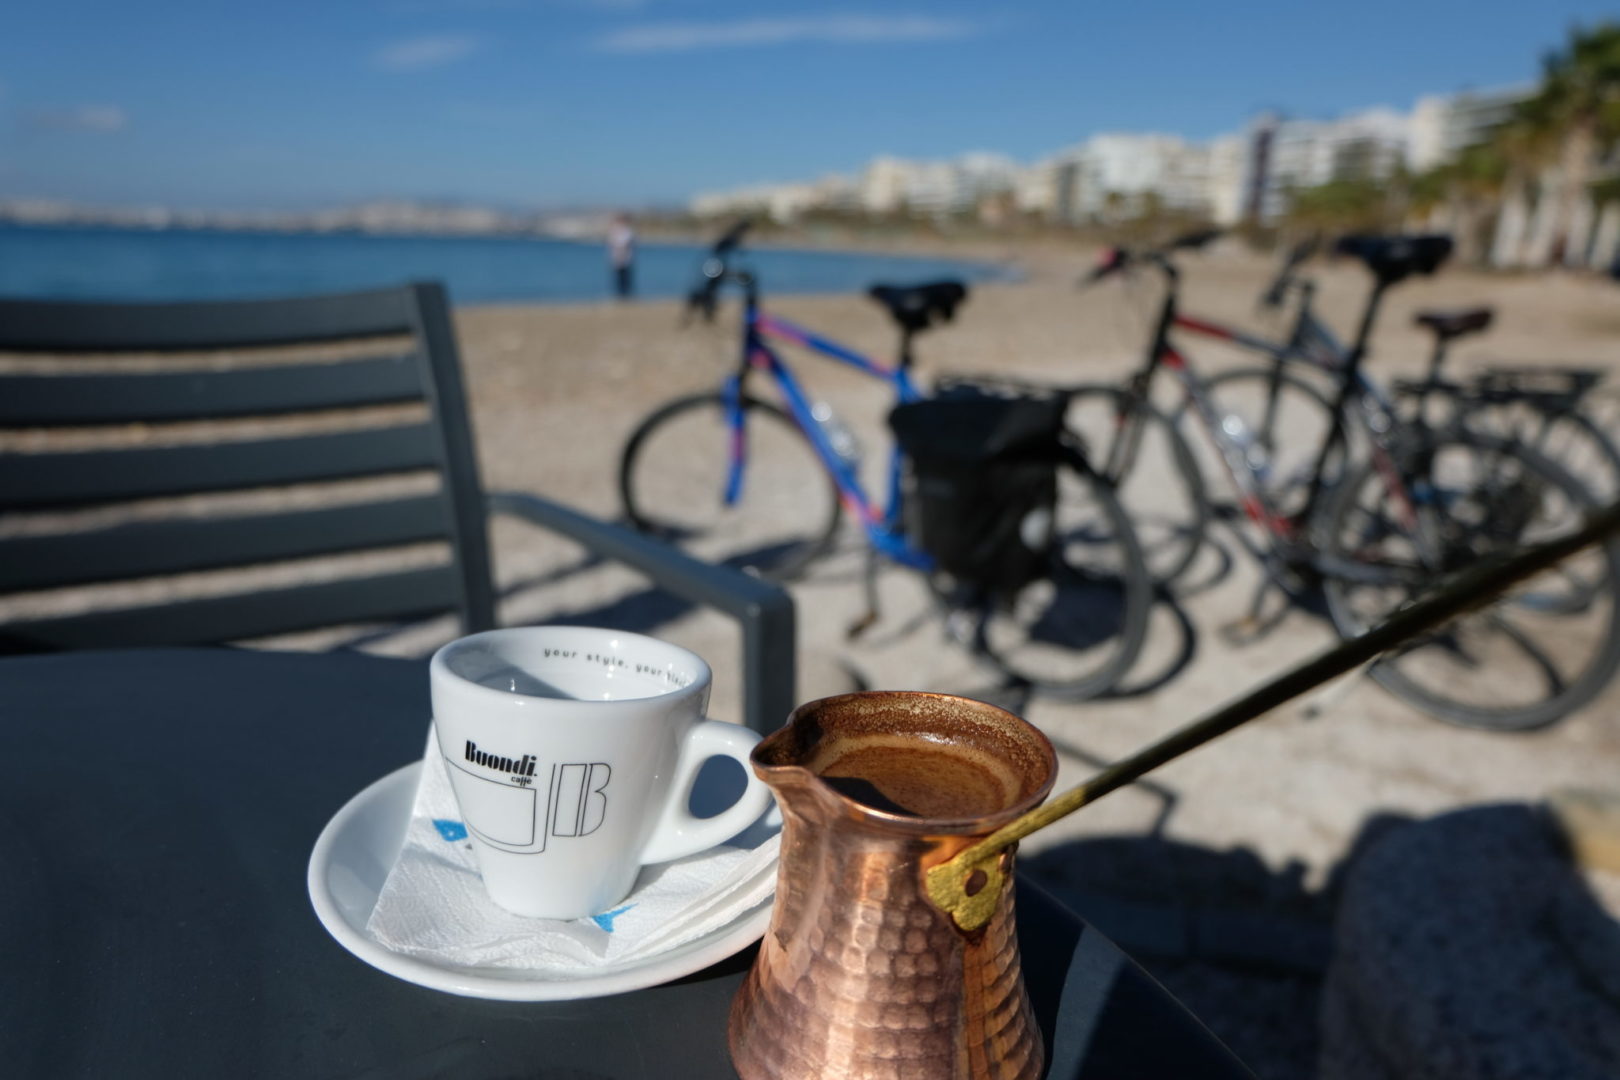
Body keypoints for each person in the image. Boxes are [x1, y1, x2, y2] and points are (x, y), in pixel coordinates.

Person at [607, 213, 635, 299]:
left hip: (626, 259)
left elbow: (626, 243)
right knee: (618, 279)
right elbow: (611, 243)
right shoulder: (614, 231)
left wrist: (621, 249)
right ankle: (620, 295)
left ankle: (626, 295)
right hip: (617, 259)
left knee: (626, 279)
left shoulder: (628, 231)